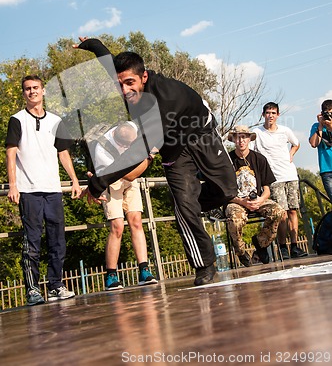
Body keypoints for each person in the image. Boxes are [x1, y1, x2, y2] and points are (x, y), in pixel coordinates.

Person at [74, 37, 238, 286]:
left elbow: (137, 152)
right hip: (173, 149)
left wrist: (99, 182)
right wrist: (94, 44)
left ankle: (190, 205)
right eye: (120, 85)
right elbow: (109, 64)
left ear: (144, 77)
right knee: (184, 206)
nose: (125, 91)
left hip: (201, 135)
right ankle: (204, 264)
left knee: (228, 191)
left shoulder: (166, 99)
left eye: (130, 83)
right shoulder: (125, 81)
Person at [5, 75, 81, 306]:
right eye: (27, 89)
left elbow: (63, 153)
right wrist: (13, 184)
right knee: (32, 241)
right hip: (29, 191)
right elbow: (11, 152)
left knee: (58, 240)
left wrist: (74, 180)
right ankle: (33, 290)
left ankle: (56, 285)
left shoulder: (56, 121)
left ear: (43, 90)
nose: (32, 92)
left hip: (53, 190)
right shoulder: (17, 119)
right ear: (23, 93)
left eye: (35, 88)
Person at [93, 121, 157, 289]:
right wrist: (149, 157)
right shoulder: (103, 149)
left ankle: (144, 270)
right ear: (117, 140)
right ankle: (111, 275)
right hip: (111, 178)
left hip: (132, 179)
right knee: (117, 226)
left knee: (136, 221)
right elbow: (128, 175)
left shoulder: (132, 129)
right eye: (125, 146)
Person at [252, 102, 307, 259]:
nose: (270, 115)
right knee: (281, 213)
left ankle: (295, 246)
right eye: (268, 112)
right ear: (263, 115)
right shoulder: (257, 132)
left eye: (273, 113)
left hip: (289, 175)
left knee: (293, 211)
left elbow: (296, 144)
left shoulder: (285, 130)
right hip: (273, 178)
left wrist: (291, 154)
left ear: (278, 115)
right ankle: (283, 247)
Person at [225, 126, 285, 266]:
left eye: (244, 137)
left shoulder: (259, 158)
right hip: (236, 201)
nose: (241, 140)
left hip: (258, 198)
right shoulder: (227, 160)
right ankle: (240, 250)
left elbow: (267, 189)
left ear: (249, 139)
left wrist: (260, 200)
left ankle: (261, 242)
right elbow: (224, 193)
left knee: (278, 212)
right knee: (234, 219)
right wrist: (242, 202)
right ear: (233, 139)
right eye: (238, 137)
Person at [309, 99, 332, 201]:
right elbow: (314, 143)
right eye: (327, 114)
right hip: (326, 170)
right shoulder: (316, 126)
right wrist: (320, 126)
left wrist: (330, 125)